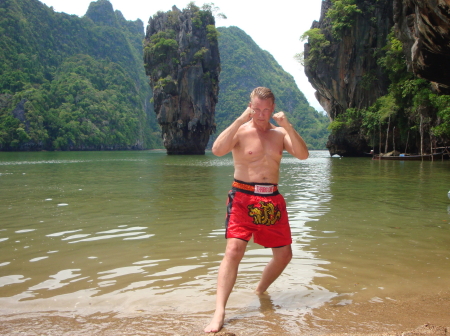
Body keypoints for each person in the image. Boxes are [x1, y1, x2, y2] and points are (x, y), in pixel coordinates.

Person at [204, 87, 309, 333]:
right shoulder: (241, 131)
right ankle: (219, 311)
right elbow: (218, 150)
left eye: (266, 110)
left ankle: (260, 291)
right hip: (242, 196)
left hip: (271, 200)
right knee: (233, 249)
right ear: (250, 107)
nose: (261, 115)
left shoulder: (280, 133)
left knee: (284, 256)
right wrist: (241, 119)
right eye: (256, 109)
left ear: (272, 109)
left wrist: (288, 125)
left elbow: (303, 155)